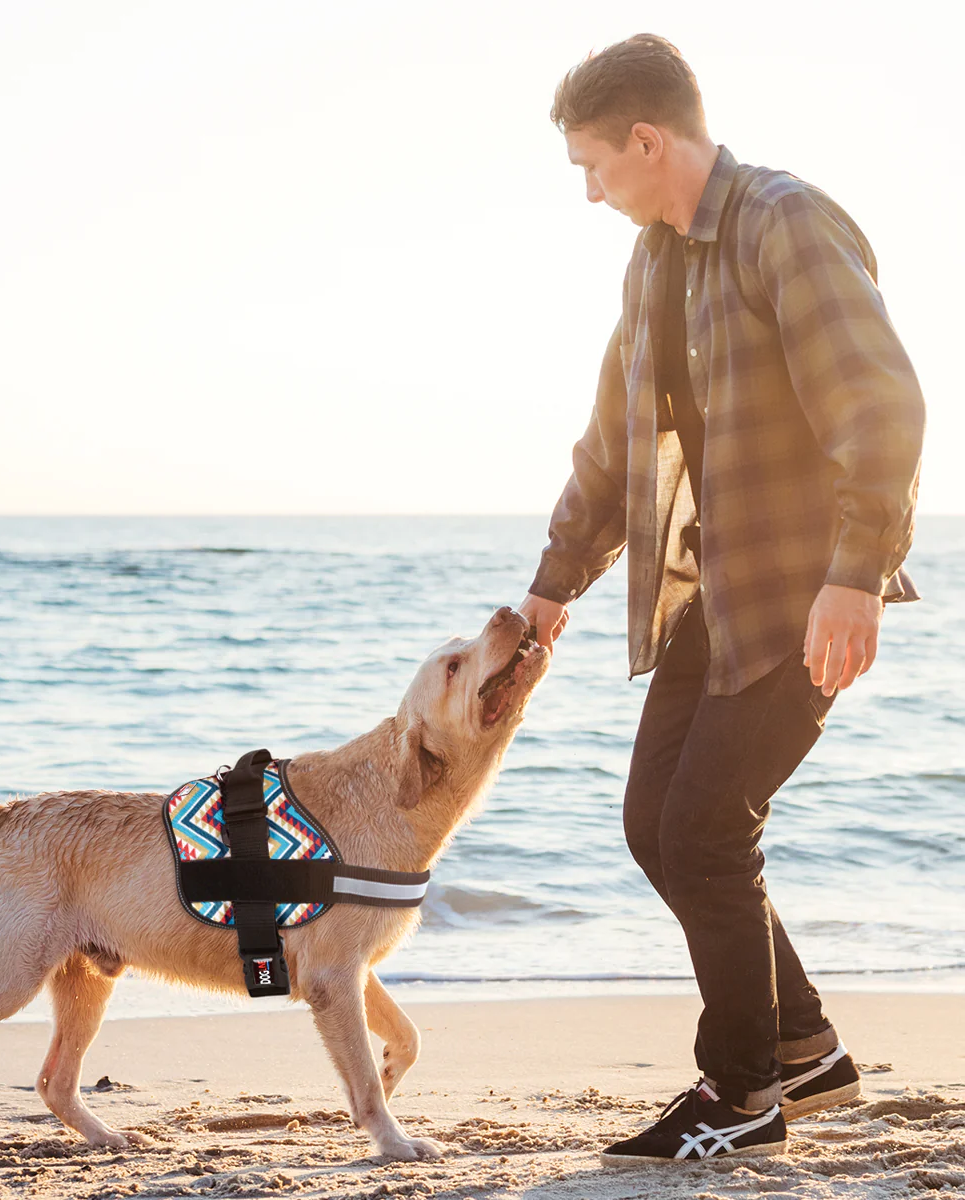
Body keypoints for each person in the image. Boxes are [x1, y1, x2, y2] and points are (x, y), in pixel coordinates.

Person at [518, 34, 924, 1165]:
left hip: (804, 593)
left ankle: (741, 1095)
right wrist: (554, 588)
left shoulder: (785, 223)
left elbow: (881, 407)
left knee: (705, 831)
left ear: (648, 142)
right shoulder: (654, 261)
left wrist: (856, 577)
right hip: (717, 596)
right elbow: (612, 445)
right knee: (658, 825)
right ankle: (803, 1046)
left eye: (593, 167)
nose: (591, 192)